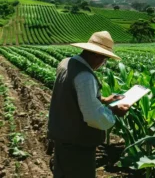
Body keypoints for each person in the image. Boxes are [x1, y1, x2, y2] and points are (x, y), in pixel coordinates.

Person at [47, 31, 130, 178]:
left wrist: (103, 99)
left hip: (62, 138)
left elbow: (72, 95)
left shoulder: (66, 63)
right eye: (104, 59)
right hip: (77, 145)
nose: (103, 63)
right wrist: (114, 111)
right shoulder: (85, 77)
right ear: (96, 55)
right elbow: (93, 117)